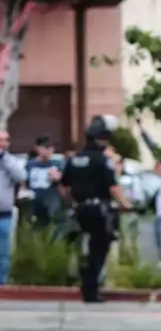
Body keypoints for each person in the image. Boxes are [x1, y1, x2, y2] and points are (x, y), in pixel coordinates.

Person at [58, 116, 133, 302]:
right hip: (99, 210)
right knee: (99, 249)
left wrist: (72, 202)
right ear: (100, 139)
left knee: (81, 247)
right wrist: (125, 204)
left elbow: (64, 186)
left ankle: (84, 273)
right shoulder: (102, 160)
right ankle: (90, 289)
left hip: (80, 210)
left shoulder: (75, 159)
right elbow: (113, 187)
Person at [0, 128, 26, 286]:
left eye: (5, 140)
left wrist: (4, 159)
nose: (2, 144)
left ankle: (2, 283)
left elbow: (21, 176)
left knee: (3, 252)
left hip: (4, 214)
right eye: (0, 140)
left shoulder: (11, 161)